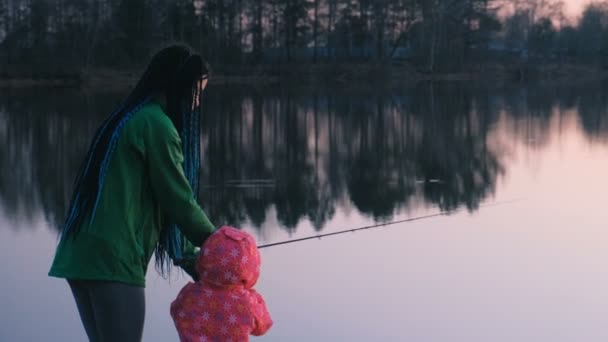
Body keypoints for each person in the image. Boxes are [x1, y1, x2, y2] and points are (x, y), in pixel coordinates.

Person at [48, 44, 216, 342]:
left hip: (81, 255)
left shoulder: (129, 116)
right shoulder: (157, 125)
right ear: (180, 86)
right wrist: (222, 246)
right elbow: (179, 202)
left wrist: (196, 261)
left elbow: (164, 206)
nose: (198, 102)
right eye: (197, 92)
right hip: (112, 259)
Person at [171, 226, 273, 342]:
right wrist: (253, 295)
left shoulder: (189, 294)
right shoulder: (248, 303)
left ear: (205, 257)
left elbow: (176, 311)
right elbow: (264, 325)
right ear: (251, 267)